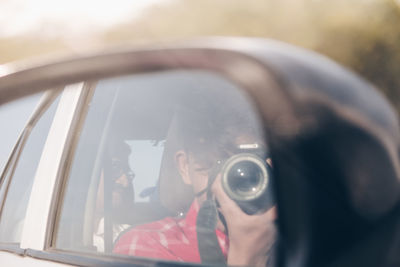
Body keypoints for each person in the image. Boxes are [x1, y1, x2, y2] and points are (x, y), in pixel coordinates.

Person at [113, 89, 277, 266]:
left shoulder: (303, 240)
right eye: (219, 162)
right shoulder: (148, 247)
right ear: (185, 167)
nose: (240, 178)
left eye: (253, 166)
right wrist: (249, 257)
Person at [93, 141, 135, 252]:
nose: (126, 183)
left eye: (127, 172)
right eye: (115, 169)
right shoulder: (59, 237)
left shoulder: (131, 236)